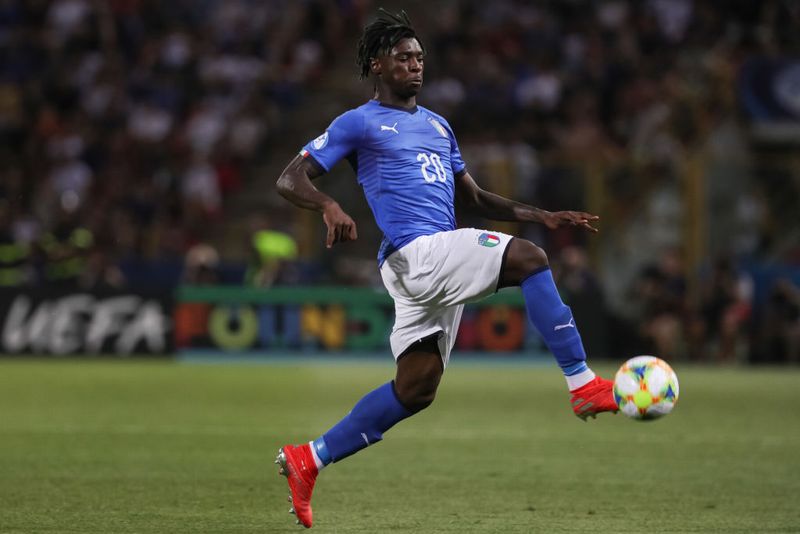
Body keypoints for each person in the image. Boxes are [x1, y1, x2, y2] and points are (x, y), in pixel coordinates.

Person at [274, 10, 617, 528]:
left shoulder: (438, 125)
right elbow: (289, 177)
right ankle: (583, 383)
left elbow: (472, 197)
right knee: (530, 259)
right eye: (403, 58)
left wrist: (541, 214)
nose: (415, 65)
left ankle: (309, 458)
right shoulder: (359, 122)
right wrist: (328, 205)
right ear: (377, 65)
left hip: (430, 258)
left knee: (417, 388)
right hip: (417, 253)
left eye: (419, 57)